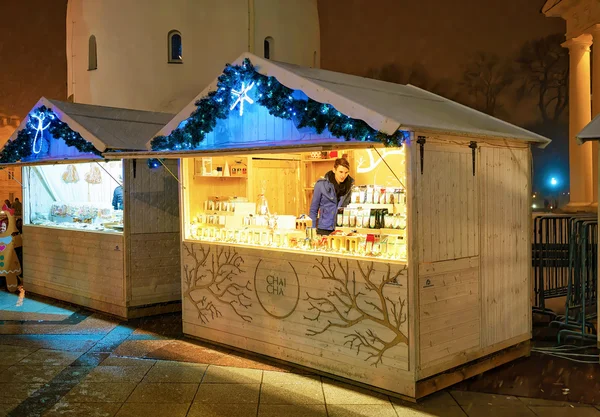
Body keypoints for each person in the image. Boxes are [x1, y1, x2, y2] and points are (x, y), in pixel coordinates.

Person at [309, 157, 354, 236]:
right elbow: (313, 210)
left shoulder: (350, 187)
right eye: (341, 172)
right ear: (334, 170)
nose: (343, 175)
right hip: (324, 229)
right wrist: (311, 231)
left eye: (346, 173)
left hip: (342, 229)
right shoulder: (321, 185)